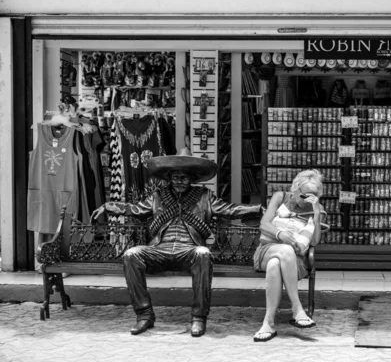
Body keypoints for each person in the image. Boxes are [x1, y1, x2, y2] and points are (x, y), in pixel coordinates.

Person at [90, 147, 262, 337]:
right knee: (132, 255)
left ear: (192, 179)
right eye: (175, 177)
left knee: (203, 254)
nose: (180, 181)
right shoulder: (157, 196)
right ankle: (144, 314)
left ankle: (199, 317)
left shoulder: (204, 196)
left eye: (184, 177)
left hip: (189, 250)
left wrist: (258, 209)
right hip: (159, 249)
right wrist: (109, 205)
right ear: (169, 178)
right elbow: (135, 209)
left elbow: (230, 210)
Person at [252, 169, 327, 342]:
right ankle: (297, 308)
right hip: (267, 249)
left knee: (275, 265)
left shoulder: (317, 208)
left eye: (313, 196)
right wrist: (280, 234)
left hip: (296, 262)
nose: (307, 200)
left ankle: (268, 323)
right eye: (304, 195)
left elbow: (314, 242)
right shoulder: (280, 197)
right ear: (295, 190)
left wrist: (316, 214)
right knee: (285, 250)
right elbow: (264, 224)